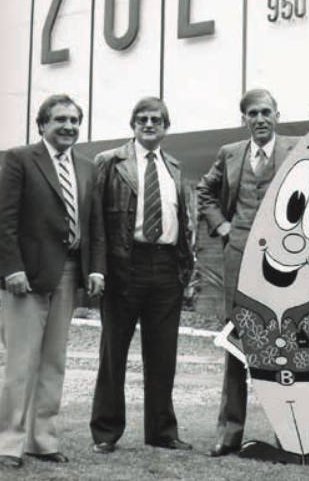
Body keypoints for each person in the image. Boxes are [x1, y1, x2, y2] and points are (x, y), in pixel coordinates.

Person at [197, 88, 309, 457]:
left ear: (277, 115)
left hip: (285, 265)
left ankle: (290, 436)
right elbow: (204, 191)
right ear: (244, 119)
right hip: (239, 259)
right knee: (238, 347)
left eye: (266, 112)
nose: (260, 118)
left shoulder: (299, 147)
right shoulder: (230, 154)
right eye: (253, 113)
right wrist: (221, 226)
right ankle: (229, 433)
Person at [0, 94, 105, 470]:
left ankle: (42, 440)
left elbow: (94, 224)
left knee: (54, 362)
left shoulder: (88, 167)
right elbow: (4, 220)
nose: (69, 126)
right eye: (60, 119)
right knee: (20, 363)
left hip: (69, 273)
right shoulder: (18, 159)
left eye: (75, 120)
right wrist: (11, 269)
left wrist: (95, 269)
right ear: (41, 124)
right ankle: (8, 443)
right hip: (25, 278)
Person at [89, 97, 194, 453]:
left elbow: (184, 221)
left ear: (166, 126)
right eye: (143, 119)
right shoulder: (110, 162)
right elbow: (97, 222)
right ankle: (105, 433)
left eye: (157, 120)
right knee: (113, 352)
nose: (149, 125)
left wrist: (185, 269)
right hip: (123, 268)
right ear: (132, 124)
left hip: (167, 268)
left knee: (164, 355)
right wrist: (98, 268)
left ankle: (162, 432)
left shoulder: (174, 167)